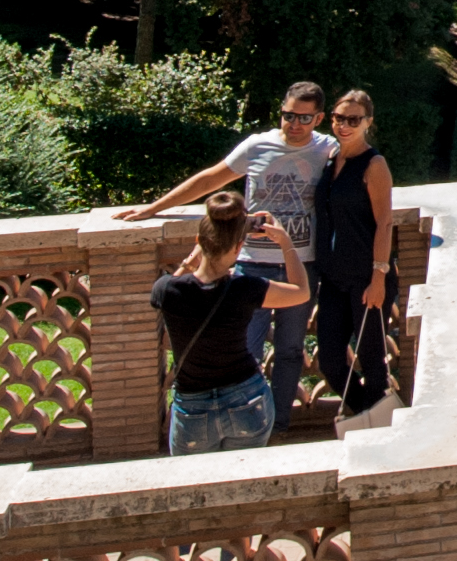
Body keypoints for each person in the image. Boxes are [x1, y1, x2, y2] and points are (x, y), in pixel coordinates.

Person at [127, 82, 332, 385]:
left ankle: (277, 414)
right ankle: (247, 408)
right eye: (289, 115)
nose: (295, 124)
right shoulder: (257, 145)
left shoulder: (327, 148)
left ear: (319, 118)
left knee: (290, 352)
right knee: (245, 349)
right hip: (252, 262)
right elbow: (210, 179)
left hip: (301, 263)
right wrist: (154, 207)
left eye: (304, 118)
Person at [153, 194, 273, 451]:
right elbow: (301, 291)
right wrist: (286, 244)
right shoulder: (247, 288)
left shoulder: (166, 290)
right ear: (238, 247)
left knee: (193, 477)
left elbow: (168, 288)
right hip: (246, 397)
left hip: (193, 404)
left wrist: (190, 261)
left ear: (199, 241)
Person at [312, 88, 401, 416]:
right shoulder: (330, 160)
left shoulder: (374, 164)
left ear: (368, 122)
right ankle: (369, 415)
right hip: (333, 278)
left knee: (372, 359)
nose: (344, 125)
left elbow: (385, 223)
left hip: (367, 277)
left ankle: (374, 426)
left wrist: (378, 277)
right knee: (330, 361)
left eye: (353, 120)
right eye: (339, 118)